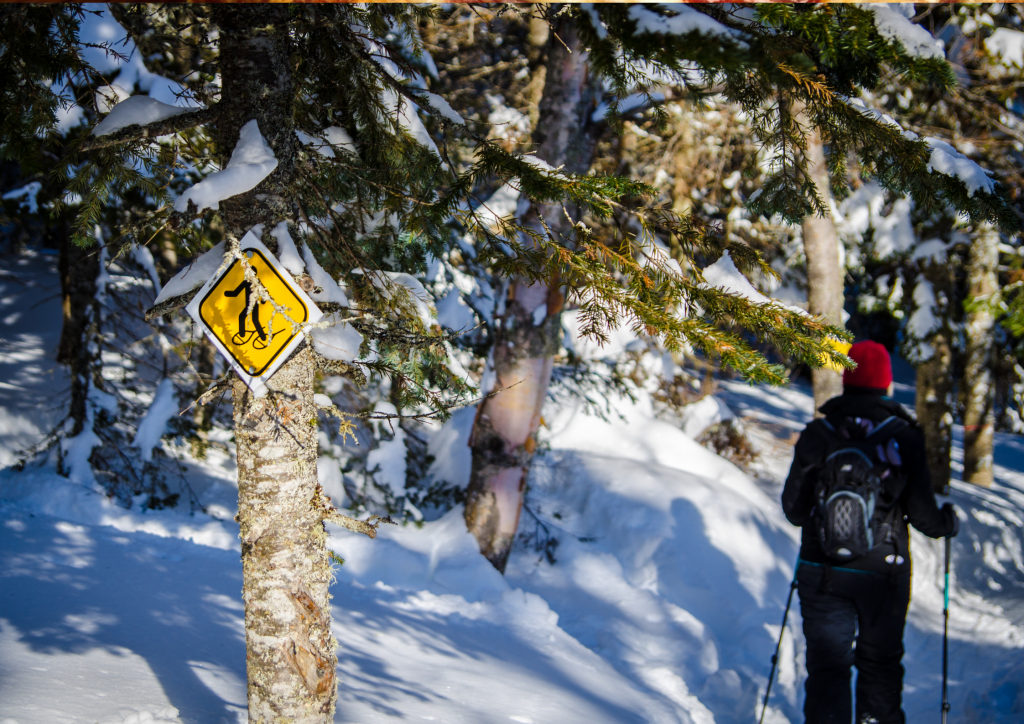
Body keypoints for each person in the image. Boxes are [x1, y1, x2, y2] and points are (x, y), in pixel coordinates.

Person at [782, 340, 958, 724]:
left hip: (822, 570)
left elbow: (793, 511)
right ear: (887, 383)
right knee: (879, 667)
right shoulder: (905, 437)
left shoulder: (818, 432)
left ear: (846, 379)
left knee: (828, 669)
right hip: (884, 573)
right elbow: (924, 517)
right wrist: (948, 522)